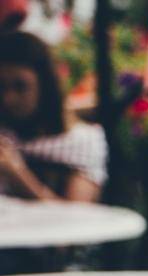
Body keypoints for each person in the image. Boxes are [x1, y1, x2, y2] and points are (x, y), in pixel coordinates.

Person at [0, 30, 106, 201]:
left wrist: (17, 174)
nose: (8, 99)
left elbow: (77, 217)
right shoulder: (5, 134)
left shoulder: (83, 141)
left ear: (45, 87)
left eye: (20, 87)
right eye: (1, 87)